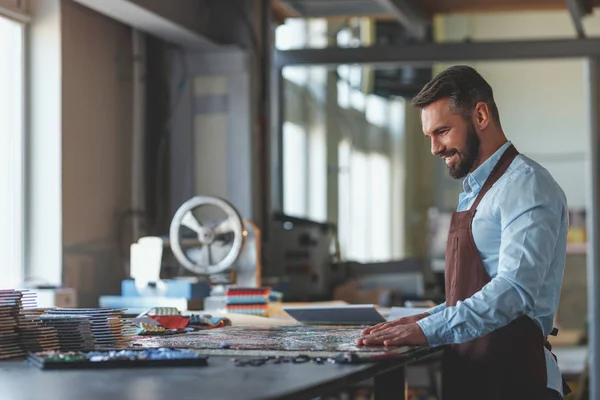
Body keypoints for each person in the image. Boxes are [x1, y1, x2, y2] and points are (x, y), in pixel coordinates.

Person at [356, 65, 570, 400]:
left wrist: (426, 330)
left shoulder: (526, 185)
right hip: (475, 377)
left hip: (516, 382)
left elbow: (514, 291)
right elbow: (474, 294)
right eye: (429, 137)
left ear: (481, 116)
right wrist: (425, 317)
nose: (434, 148)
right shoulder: (476, 190)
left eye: (442, 131)